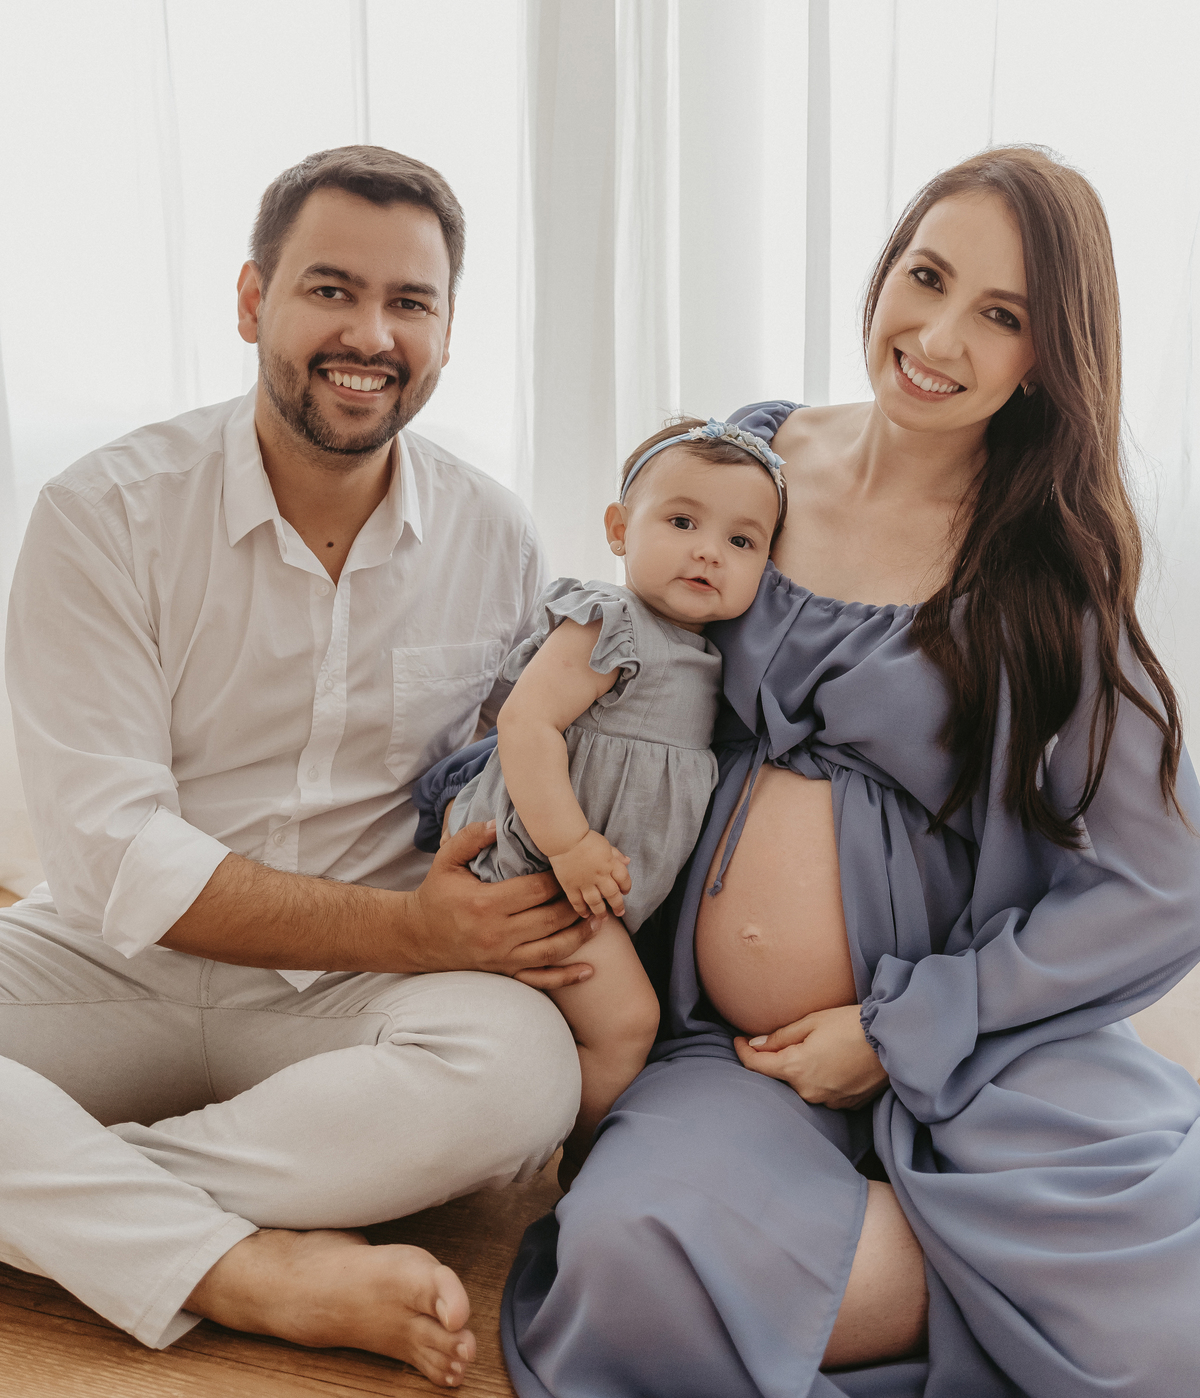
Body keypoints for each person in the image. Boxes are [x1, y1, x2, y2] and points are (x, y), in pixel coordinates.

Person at [498, 146, 1200, 1397]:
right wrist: (513, 810)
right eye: (925, 276)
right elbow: (617, 654)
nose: (937, 336)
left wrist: (899, 1027)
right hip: (734, 1051)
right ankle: (983, 1276)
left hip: (967, 1039)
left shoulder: (1051, 561)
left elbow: (1164, 882)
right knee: (621, 1261)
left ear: (1048, 355)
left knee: (1169, 1310)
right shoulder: (753, 458)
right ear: (884, 270)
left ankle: (857, 1264)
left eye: (1001, 315)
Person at [0, 145, 600, 1390]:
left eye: (410, 302)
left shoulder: (493, 531)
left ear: (447, 331)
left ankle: (87, 1202)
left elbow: (509, 776)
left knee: (524, 1072)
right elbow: (117, 862)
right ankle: (244, 1266)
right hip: (114, 955)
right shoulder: (101, 512)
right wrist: (416, 929)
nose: (370, 334)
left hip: (349, 997)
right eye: (331, 289)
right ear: (251, 300)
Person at [426, 417, 786, 1182]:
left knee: (590, 1023)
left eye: (741, 541)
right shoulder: (610, 621)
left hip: (589, 885)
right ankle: (583, 1172)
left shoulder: (711, 657)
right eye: (682, 522)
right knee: (628, 1024)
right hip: (540, 869)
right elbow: (526, 723)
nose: (708, 551)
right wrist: (569, 844)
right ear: (620, 529)